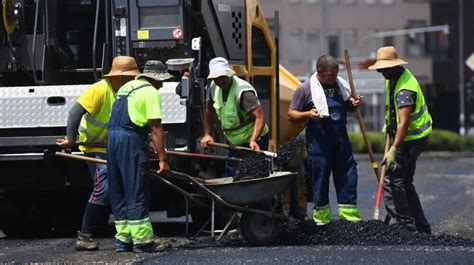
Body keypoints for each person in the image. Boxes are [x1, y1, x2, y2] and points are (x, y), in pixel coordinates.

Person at [56, 56, 140, 251]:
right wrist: (70, 138)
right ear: (119, 77)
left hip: (114, 147)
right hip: (95, 148)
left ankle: (130, 234)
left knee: (123, 189)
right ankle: (84, 236)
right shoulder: (100, 89)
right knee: (104, 188)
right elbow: (75, 112)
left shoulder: (126, 92)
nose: (132, 81)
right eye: (129, 77)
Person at [288, 55, 362, 226]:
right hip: (319, 144)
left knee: (348, 176)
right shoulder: (305, 89)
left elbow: (348, 106)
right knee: (320, 179)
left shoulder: (341, 86)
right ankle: (322, 219)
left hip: (341, 141)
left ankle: (349, 216)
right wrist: (307, 114)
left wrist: (354, 104)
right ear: (319, 72)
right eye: (330, 75)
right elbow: (292, 115)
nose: (333, 78)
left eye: (335, 74)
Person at [106, 60, 172, 253]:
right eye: (161, 81)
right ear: (156, 78)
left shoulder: (127, 87)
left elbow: (132, 118)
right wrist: (162, 159)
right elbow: (156, 128)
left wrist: (146, 142)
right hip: (130, 141)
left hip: (112, 138)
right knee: (135, 188)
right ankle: (142, 240)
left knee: (118, 190)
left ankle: (124, 239)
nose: (161, 85)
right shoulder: (150, 91)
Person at [369, 46, 432, 234]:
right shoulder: (393, 78)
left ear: (394, 66)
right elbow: (395, 114)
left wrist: (393, 148)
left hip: (411, 138)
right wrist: (388, 124)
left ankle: (405, 226)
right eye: (379, 69)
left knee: (392, 179)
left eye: (383, 69)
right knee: (404, 181)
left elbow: (404, 122)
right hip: (410, 136)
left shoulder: (405, 88)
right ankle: (421, 226)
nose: (381, 73)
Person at [200, 57, 269, 175]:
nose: (220, 80)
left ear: (229, 74)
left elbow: (260, 116)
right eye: (216, 78)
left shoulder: (242, 92)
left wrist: (253, 140)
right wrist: (207, 134)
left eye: (223, 77)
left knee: (253, 175)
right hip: (233, 142)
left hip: (254, 141)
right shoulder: (213, 87)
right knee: (231, 174)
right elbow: (209, 109)